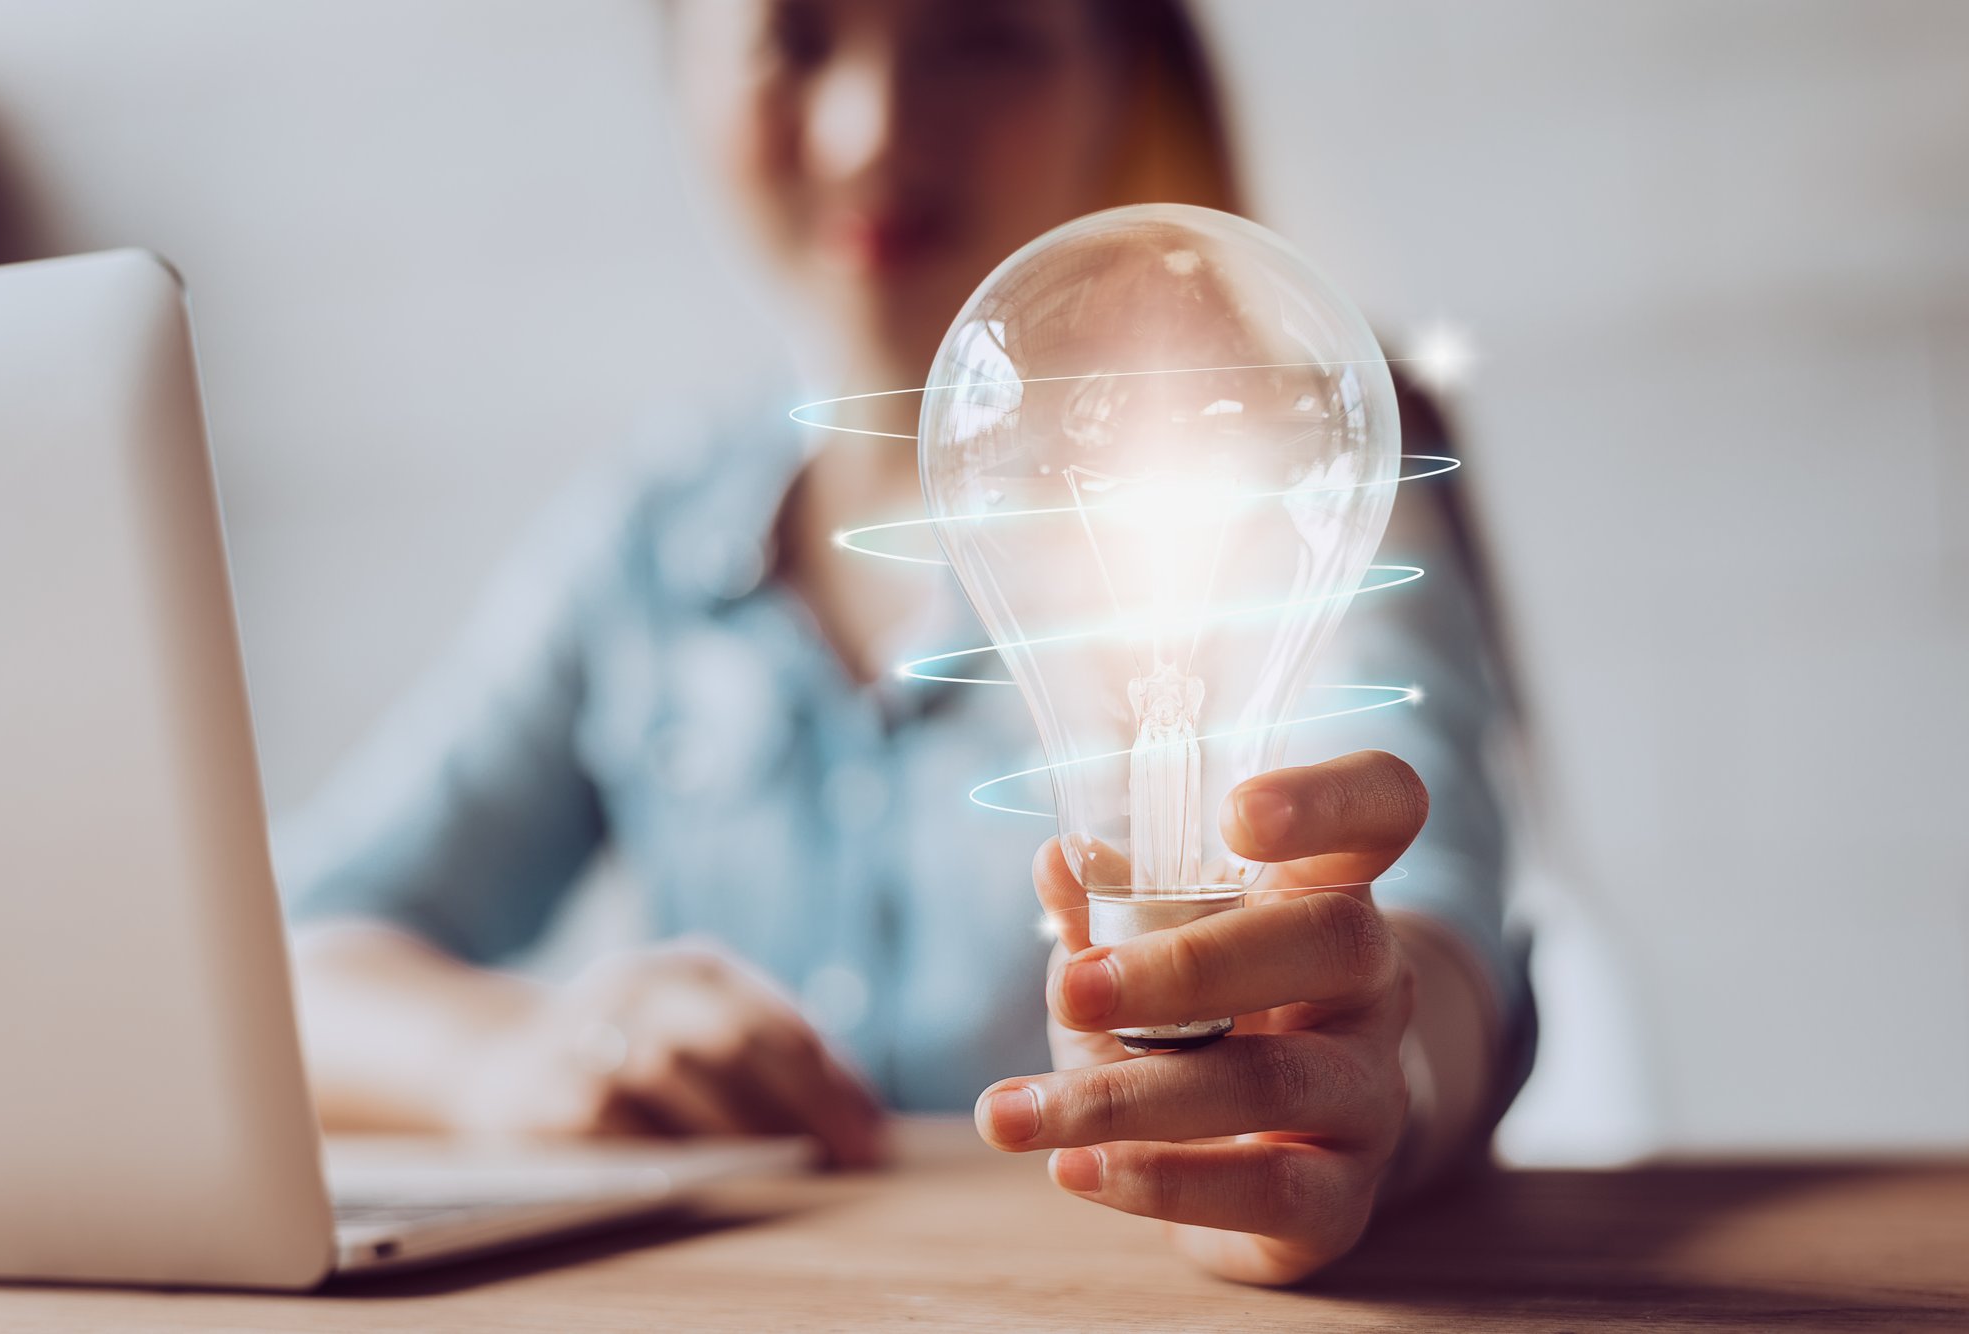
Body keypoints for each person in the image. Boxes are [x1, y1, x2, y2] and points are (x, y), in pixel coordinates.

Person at [279, 0, 1531, 1287]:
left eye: (980, 33)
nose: (870, 131)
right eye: (796, 38)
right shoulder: (651, 539)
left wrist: (1359, 1068)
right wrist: (509, 1053)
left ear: (1123, 69)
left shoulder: (1272, 474)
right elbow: (291, 957)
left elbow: (1422, 940)